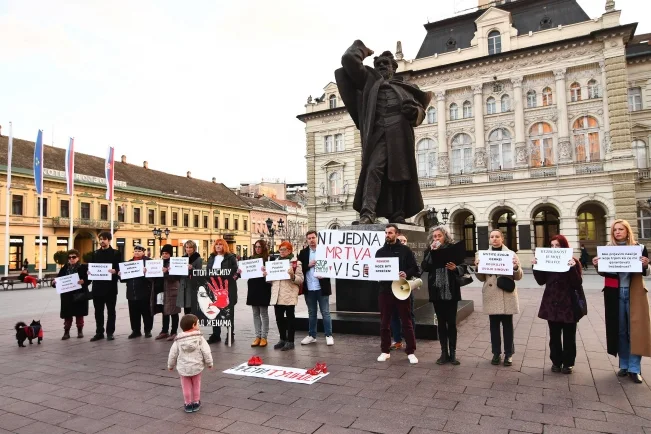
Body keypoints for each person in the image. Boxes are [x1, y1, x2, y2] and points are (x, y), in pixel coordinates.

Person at [335, 40, 430, 224]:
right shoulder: (368, 82)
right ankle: (367, 212)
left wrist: (416, 112)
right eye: (377, 64)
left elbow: (420, 111)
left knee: (401, 174)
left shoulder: (408, 88)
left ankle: (398, 213)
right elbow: (348, 59)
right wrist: (362, 49)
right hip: (378, 132)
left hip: (400, 133)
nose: (381, 67)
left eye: (384, 64)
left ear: (393, 67)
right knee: (373, 169)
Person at [593, 219, 651, 384]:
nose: (617, 232)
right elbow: (605, 273)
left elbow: (646, 271)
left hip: (635, 293)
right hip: (614, 293)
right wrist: (597, 266)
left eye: (620, 229)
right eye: (615, 230)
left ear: (627, 231)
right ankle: (624, 365)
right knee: (620, 331)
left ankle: (635, 368)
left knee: (635, 331)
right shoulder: (608, 249)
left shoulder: (639, 248)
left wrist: (646, 265)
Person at [533, 235, 585, 374]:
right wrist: (536, 266)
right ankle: (556, 362)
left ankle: (568, 363)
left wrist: (573, 268)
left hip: (568, 304)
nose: (554, 248)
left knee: (569, 336)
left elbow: (577, 283)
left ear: (564, 247)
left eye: (558, 245)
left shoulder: (573, 261)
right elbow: (540, 281)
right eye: (552, 245)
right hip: (552, 303)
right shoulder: (547, 261)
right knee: (554, 336)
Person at [474, 229, 522, 366]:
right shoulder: (482, 255)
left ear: (502, 239)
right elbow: (482, 277)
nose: (494, 239)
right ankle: (496, 353)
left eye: (497, 237)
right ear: (489, 239)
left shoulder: (511, 254)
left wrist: (515, 267)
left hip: (506, 293)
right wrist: (477, 268)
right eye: (492, 237)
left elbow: (518, 277)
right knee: (493, 327)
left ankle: (508, 354)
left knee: (507, 326)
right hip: (491, 293)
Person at [421, 225, 466, 365]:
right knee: (441, 322)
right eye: (434, 237)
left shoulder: (452, 249)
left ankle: (453, 354)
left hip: (451, 290)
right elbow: (424, 267)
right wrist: (431, 253)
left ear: (445, 236)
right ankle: (443, 353)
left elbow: (463, 266)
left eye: (439, 236)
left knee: (451, 322)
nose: (436, 238)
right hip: (436, 290)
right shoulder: (429, 251)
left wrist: (456, 268)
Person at [376, 224, 419, 364]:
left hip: (401, 289)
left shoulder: (406, 251)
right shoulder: (380, 252)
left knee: (406, 321)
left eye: (390, 233)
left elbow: (415, 269)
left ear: (396, 234)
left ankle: (411, 351)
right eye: (386, 233)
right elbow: (376, 270)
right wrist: (369, 272)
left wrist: (406, 273)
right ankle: (385, 351)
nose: (388, 235)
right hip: (385, 291)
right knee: (384, 322)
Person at [167, 314, 213, 413]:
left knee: (186, 386)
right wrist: (209, 363)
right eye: (198, 324)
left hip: (183, 368)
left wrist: (170, 365)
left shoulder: (178, 340)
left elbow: (173, 354)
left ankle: (188, 404)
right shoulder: (200, 338)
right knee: (196, 384)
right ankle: (196, 402)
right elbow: (206, 351)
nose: (199, 326)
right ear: (193, 325)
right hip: (197, 367)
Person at [265, 241, 304, 351]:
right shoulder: (275, 262)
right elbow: (272, 281)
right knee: (279, 318)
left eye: (284, 249)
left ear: (290, 250)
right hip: (277, 294)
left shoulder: (296, 263)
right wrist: (267, 276)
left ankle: (290, 341)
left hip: (289, 295)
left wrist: (292, 276)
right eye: (280, 249)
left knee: (290, 319)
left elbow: (300, 280)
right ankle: (282, 339)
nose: (281, 251)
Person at [298, 231, 334, 346]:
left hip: (321, 287)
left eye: (313, 237)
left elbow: (333, 266)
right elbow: (298, 270)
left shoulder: (325, 251)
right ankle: (312, 335)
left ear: (317, 238)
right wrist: (307, 265)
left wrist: (325, 274)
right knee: (312, 313)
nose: (311, 240)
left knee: (325, 312)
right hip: (309, 288)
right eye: (309, 238)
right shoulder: (303, 253)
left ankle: (328, 335)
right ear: (307, 240)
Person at [87, 231, 121, 342]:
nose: (102, 241)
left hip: (110, 288)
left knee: (111, 311)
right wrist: (89, 272)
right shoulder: (95, 253)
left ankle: (110, 332)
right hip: (97, 288)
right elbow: (91, 267)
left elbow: (120, 269)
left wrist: (115, 271)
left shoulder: (116, 253)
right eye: (100, 239)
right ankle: (99, 332)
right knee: (98, 311)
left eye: (104, 239)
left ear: (109, 240)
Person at [390, 233, 420, 350]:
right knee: (394, 315)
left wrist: (407, 274)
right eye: (400, 240)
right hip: (392, 288)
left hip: (406, 287)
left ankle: (410, 339)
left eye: (404, 241)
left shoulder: (410, 254)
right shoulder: (391, 254)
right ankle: (397, 340)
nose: (402, 242)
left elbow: (417, 271)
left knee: (408, 315)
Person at [206, 239, 238, 344]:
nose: (218, 246)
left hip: (227, 289)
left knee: (229, 313)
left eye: (220, 244)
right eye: (216, 245)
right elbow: (207, 272)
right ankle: (216, 334)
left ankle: (230, 334)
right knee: (215, 312)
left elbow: (235, 272)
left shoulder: (230, 257)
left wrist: (232, 276)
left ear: (224, 246)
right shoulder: (211, 257)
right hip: (215, 289)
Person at [53, 249, 89, 340]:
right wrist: (54, 282)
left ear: (78, 258)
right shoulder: (64, 268)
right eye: (69, 257)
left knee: (79, 314)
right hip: (67, 295)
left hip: (79, 294)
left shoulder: (83, 267)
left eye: (73, 257)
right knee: (67, 315)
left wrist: (84, 281)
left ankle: (80, 331)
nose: (71, 259)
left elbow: (89, 279)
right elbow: (59, 279)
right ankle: (66, 332)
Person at [243, 240, 271, 347]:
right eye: (256, 247)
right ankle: (257, 336)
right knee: (255, 313)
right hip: (253, 287)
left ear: (263, 248)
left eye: (259, 247)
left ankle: (264, 337)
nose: (257, 249)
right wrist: (242, 271)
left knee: (263, 313)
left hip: (263, 287)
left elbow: (272, 274)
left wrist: (266, 272)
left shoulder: (268, 259)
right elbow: (245, 272)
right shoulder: (251, 259)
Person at [123, 244, 153, 339]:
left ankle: (148, 330)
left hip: (145, 292)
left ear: (143, 252)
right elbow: (123, 280)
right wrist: (121, 274)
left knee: (146, 313)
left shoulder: (149, 262)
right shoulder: (129, 263)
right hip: (132, 293)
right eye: (135, 251)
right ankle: (136, 331)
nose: (137, 252)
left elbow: (154, 277)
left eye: (139, 251)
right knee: (133, 314)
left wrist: (147, 273)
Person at [152, 244, 181, 341]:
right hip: (161, 291)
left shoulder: (174, 263)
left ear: (170, 254)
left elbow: (176, 277)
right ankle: (164, 331)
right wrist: (148, 272)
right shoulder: (158, 263)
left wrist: (166, 272)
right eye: (163, 253)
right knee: (165, 311)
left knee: (174, 311)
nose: (164, 255)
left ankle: (174, 332)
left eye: (166, 253)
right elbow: (152, 278)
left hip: (172, 290)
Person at [177, 241, 203, 315]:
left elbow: (199, 273)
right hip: (184, 286)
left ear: (194, 248)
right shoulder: (183, 259)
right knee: (186, 308)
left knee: (192, 308)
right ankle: (187, 325)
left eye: (190, 247)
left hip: (192, 286)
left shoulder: (198, 259)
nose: (188, 249)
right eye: (187, 247)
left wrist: (192, 268)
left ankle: (193, 325)